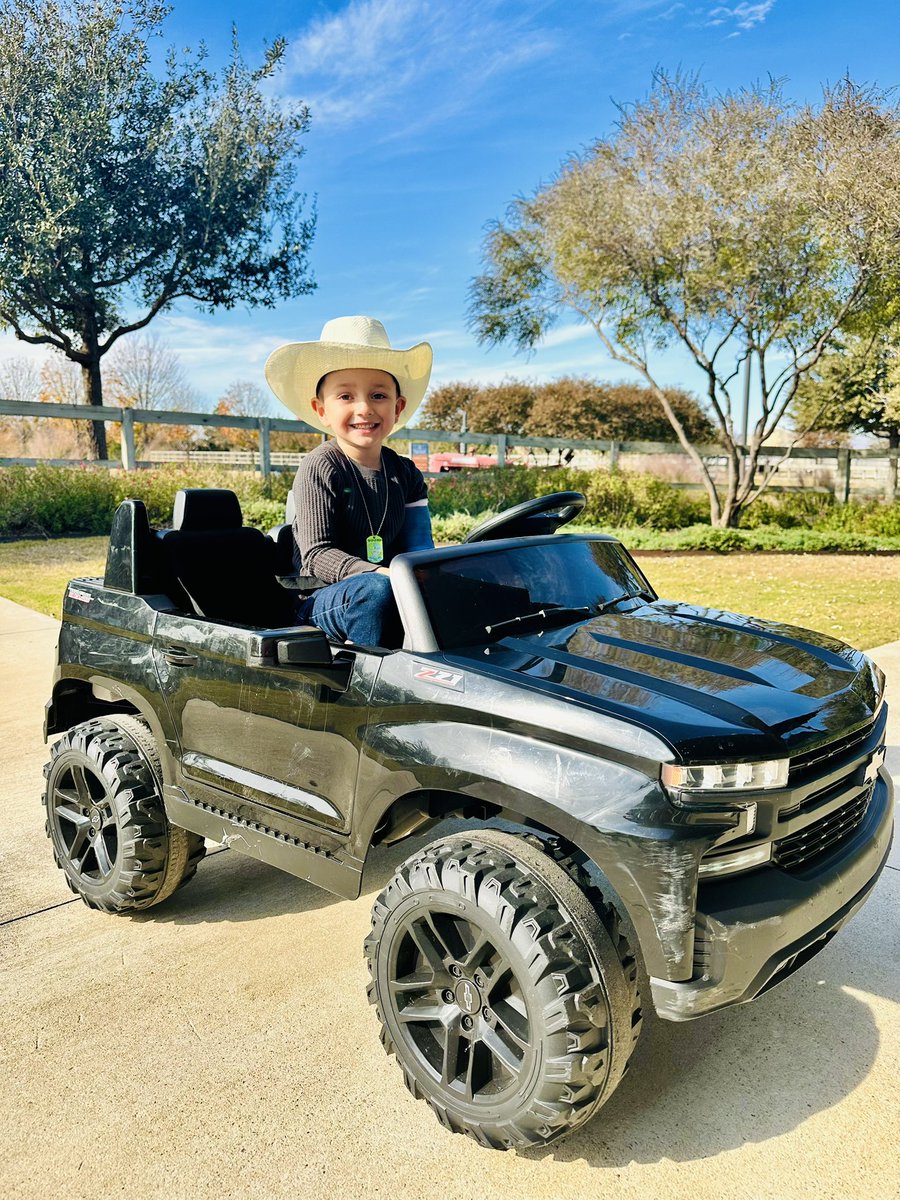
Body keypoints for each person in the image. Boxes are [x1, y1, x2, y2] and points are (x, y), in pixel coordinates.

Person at [264, 315, 434, 646]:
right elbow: (317, 555)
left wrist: (426, 576)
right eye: (345, 397)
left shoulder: (406, 474)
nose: (364, 408)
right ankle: (369, 682)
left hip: (390, 588)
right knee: (376, 593)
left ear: (398, 407)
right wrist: (384, 575)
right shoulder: (320, 466)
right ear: (321, 410)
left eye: (378, 396)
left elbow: (419, 546)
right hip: (321, 602)